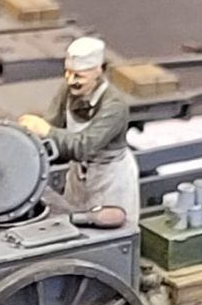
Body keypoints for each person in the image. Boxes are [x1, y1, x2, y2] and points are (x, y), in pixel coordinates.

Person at [18, 36, 141, 229]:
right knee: (72, 222)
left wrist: (45, 130)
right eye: (68, 73)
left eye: (79, 76)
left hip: (109, 178)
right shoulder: (68, 91)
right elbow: (53, 126)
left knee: (111, 231)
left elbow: (84, 146)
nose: (71, 80)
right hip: (79, 175)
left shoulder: (114, 105)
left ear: (98, 71)